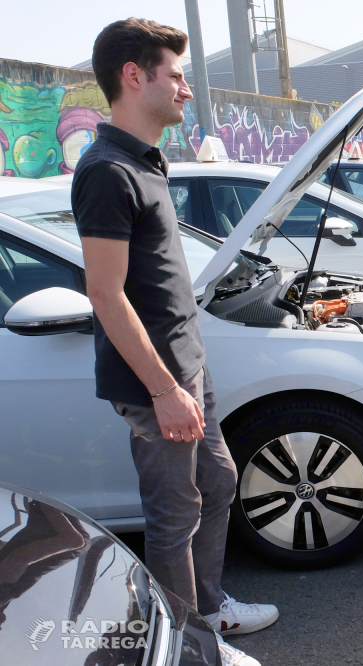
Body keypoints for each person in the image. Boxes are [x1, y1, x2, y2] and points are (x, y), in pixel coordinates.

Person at [71, 19, 277, 666]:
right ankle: (190, 650)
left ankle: (208, 610)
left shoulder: (143, 160)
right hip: (155, 382)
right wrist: (164, 390)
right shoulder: (106, 171)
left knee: (216, 481)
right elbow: (106, 295)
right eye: (176, 74)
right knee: (174, 517)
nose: (186, 88)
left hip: (187, 366)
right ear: (135, 77)